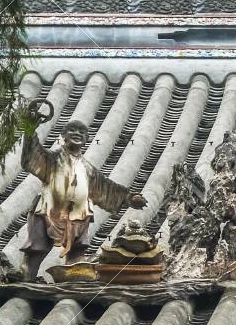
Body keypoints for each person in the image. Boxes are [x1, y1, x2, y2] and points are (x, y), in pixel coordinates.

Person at [19, 101, 146, 280]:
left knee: (77, 256)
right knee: (35, 249)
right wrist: (30, 130)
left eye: (82, 132)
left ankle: (72, 278)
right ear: (63, 136)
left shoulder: (88, 169)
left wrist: (129, 197)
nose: (77, 134)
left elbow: (106, 188)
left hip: (78, 216)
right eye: (72, 130)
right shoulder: (52, 159)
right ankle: (25, 275)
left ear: (87, 139)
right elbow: (32, 157)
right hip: (46, 210)